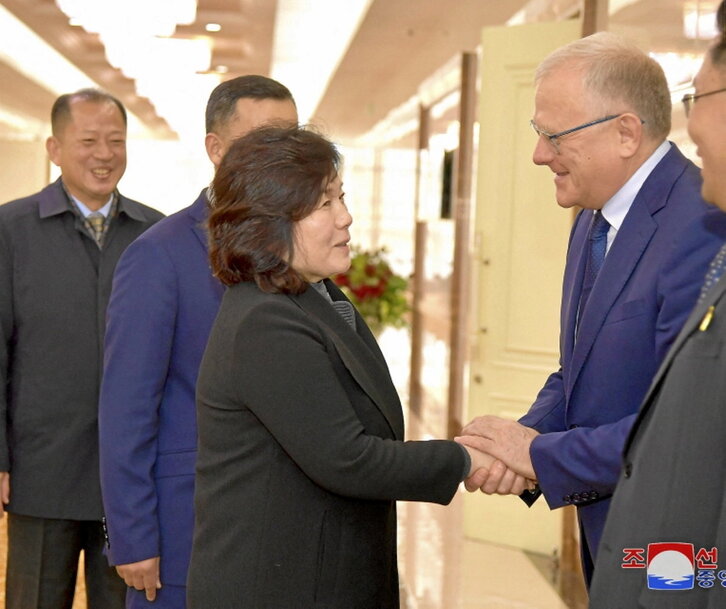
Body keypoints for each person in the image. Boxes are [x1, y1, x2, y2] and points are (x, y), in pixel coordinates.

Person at [186, 124, 498, 609]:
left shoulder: (317, 297)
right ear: (269, 223)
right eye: (324, 204)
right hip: (279, 587)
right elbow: (348, 460)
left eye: (342, 198)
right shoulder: (265, 321)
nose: (347, 218)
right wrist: (466, 460)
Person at [457, 32, 726, 584]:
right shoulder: (592, 217)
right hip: (609, 530)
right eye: (539, 133)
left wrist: (540, 457)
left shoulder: (701, 224)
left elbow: (683, 426)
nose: (538, 154)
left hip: (671, 543)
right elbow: (579, 372)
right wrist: (523, 441)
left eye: (554, 135)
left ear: (626, 133)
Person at [98, 76, 298, 608]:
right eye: (260, 141)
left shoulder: (301, 246)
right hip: (187, 529)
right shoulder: (159, 254)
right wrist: (134, 536)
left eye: (290, 141)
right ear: (215, 149)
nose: (278, 158)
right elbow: (126, 407)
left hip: (283, 525)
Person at [0, 89, 163, 609]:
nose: (104, 154)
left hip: (132, 480)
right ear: (54, 148)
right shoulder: (10, 231)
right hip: (39, 469)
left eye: (116, 141)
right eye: (88, 141)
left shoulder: (153, 235)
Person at [589, 8, 726, 607]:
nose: (690, 122)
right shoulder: (591, 219)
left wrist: (670, 583)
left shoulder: (696, 225)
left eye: (700, 96)